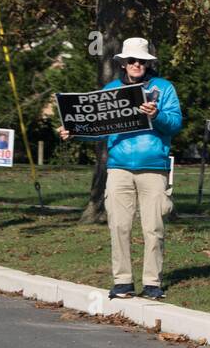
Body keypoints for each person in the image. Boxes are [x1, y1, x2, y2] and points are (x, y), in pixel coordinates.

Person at [58, 37, 183, 300]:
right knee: (119, 226)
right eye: (131, 60)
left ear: (149, 64)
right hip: (118, 169)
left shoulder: (164, 88)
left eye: (142, 61)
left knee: (154, 228)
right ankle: (123, 282)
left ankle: (152, 283)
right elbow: (98, 128)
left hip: (154, 168)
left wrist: (155, 115)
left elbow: (175, 124)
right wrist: (75, 131)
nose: (136, 64)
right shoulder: (111, 89)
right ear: (123, 64)